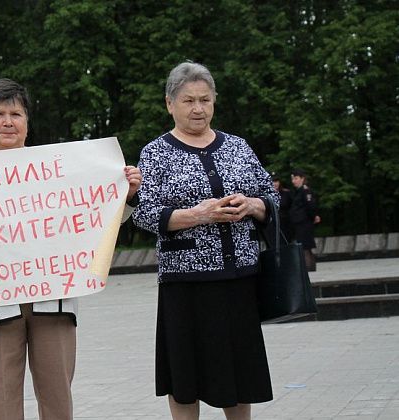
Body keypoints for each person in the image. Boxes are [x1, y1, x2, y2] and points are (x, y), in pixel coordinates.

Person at [0, 78, 142, 420]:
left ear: (27, 123)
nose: (7, 121)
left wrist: (126, 192)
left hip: (54, 298)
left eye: (16, 113)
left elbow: (95, 221)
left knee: (58, 399)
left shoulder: (62, 171)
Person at [132, 62, 276, 420]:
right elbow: (144, 214)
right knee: (185, 379)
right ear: (170, 104)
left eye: (205, 100)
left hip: (239, 280)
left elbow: (270, 197)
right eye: (188, 101)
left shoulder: (238, 147)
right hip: (186, 285)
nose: (198, 109)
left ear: (214, 102)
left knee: (239, 376)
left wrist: (253, 204)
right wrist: (199, 215)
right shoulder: (155, 153)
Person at [289, 168, 320, 271]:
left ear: (302, 179)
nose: (294, 181)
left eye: (296, 178)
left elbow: (310, 206)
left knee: (305, 247)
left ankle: (308, 268)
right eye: (293, 179)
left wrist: (313, 217)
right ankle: (309, 268)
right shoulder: (298, 191)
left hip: (304, 224)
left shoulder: (305, 191)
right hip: (300, 224)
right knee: (305, 247)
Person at [271, 173, 292, 238]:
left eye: (276, 181)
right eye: (273, 181)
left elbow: (291, 207)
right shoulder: (266, 195)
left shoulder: (286, 193)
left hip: (285, 223)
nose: (275, 183)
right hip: (272, 223)